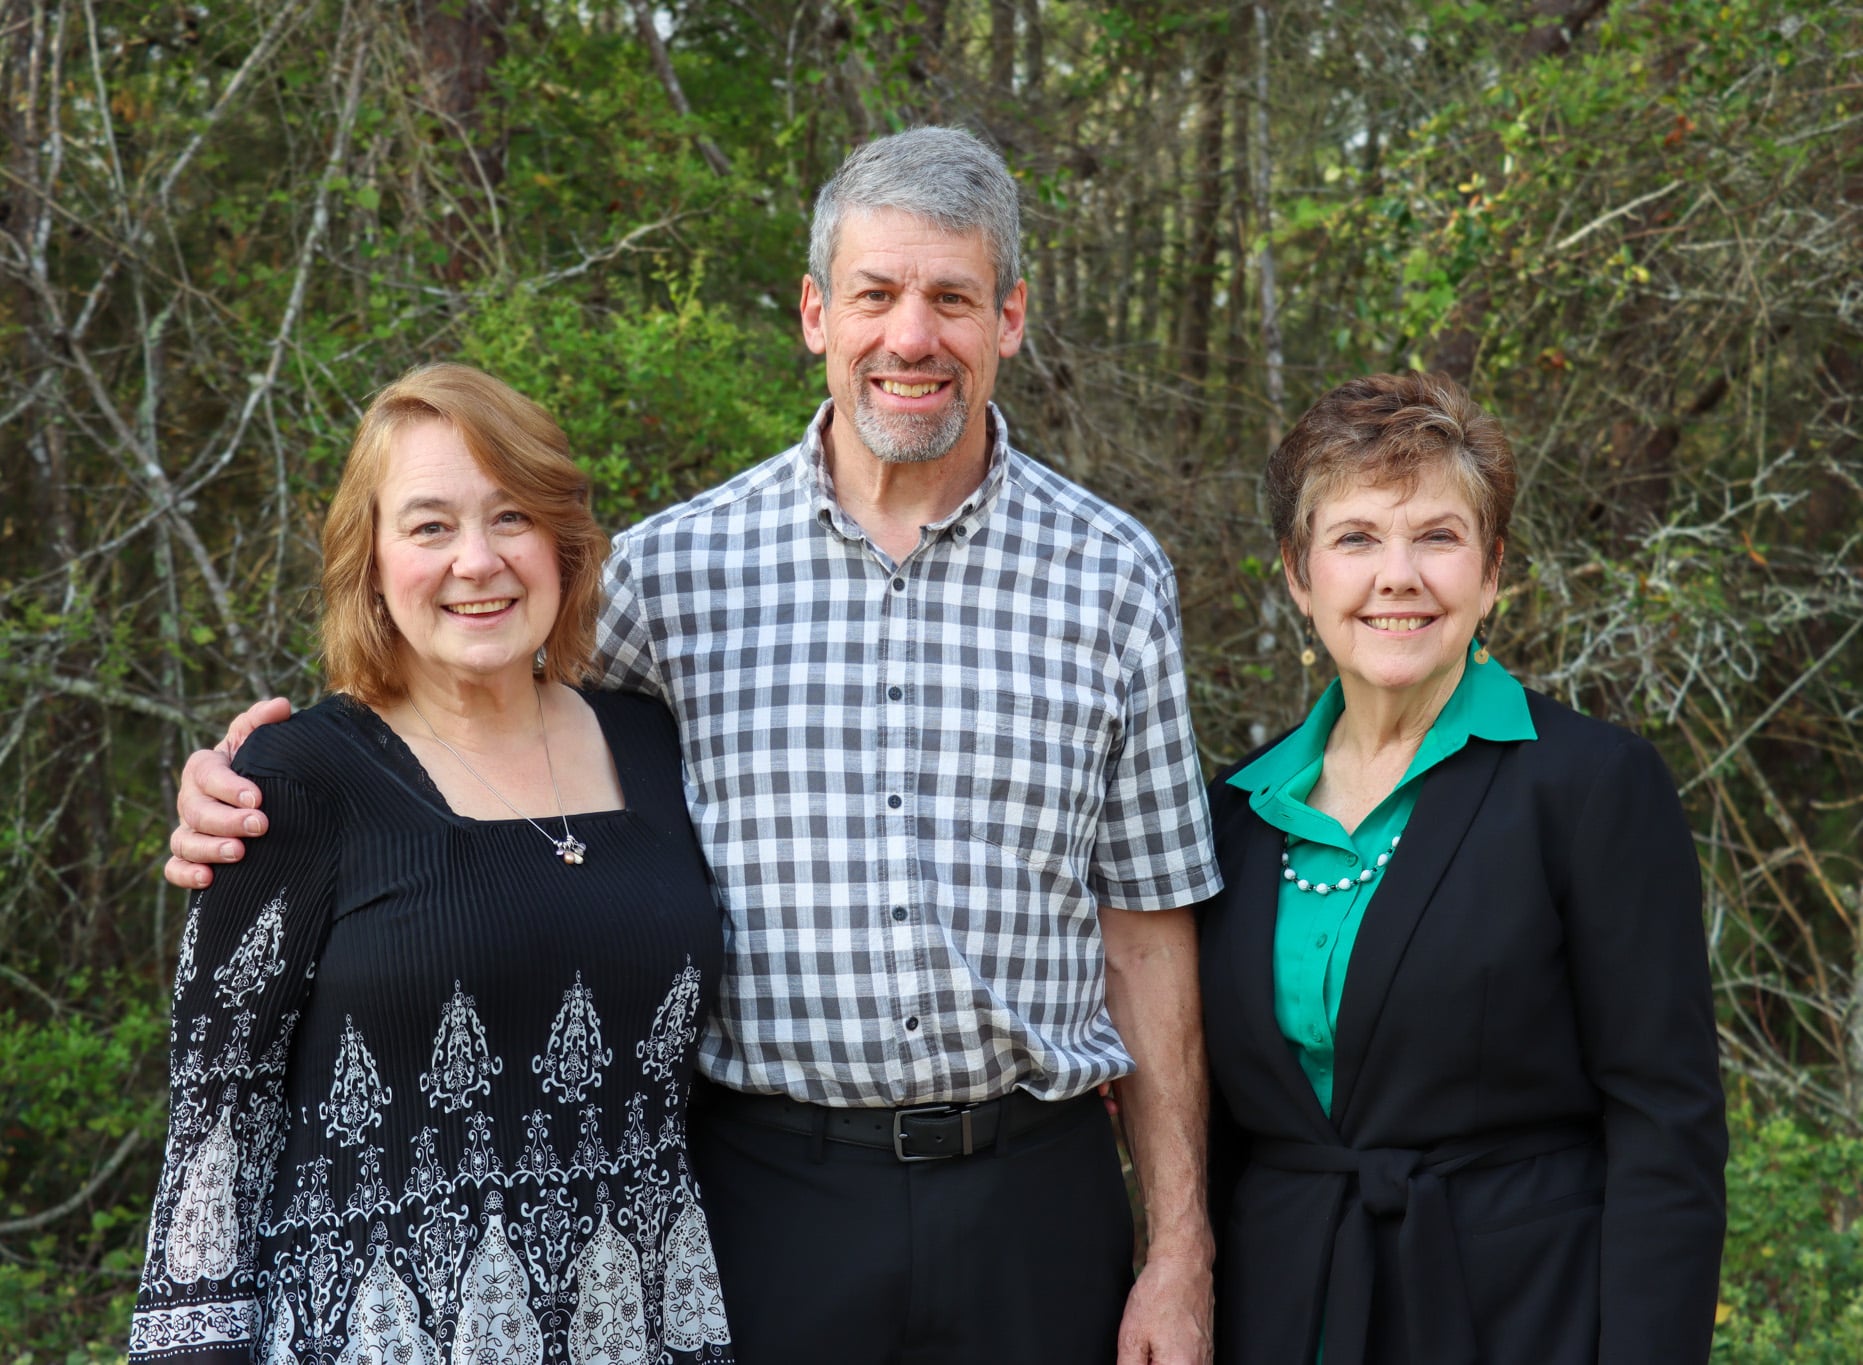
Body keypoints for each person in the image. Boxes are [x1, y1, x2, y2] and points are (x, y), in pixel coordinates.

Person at [164, 127, 1222, 1365]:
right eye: (876, 295)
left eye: (953, 299)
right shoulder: (674, 576)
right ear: (817, 314)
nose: (912, 338)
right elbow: (469, 686)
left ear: (1012, 318)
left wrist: (1180, 1251)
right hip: (762, 1203)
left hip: (1036, 1199)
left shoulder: (1111, 577)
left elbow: (1146, 929)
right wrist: (271, 781)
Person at [132, 365, 732, 1363]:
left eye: (511, 517)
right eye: (429, 527)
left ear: (562, 543)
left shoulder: (657, 747)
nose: (478, 561)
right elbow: (213, 1141)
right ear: (369, 561)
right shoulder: (293, 783)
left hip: (643, 1333)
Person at [1199, 371, 1726, 1364]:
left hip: (1516, 1317)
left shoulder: (1592, 787)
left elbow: (1668, 1129)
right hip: (1281, 1313)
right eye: (1356, 538)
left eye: (1437, 536)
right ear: (1298, 574)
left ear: (1491, 571)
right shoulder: (1231, 812)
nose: (1398, 575)